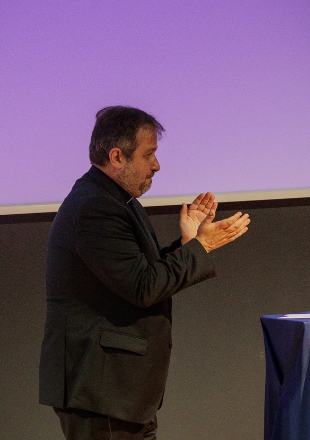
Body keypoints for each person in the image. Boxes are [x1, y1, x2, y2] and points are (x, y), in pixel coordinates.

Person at [39, 106, 251, 439]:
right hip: (100, 390)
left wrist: (188, 243)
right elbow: (144, 287)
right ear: (117, 157)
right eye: (148, 154)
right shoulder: (95, 208)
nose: (157, 165)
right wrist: (202, 248)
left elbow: (143, 272)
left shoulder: (118, 201)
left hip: (118, 391)